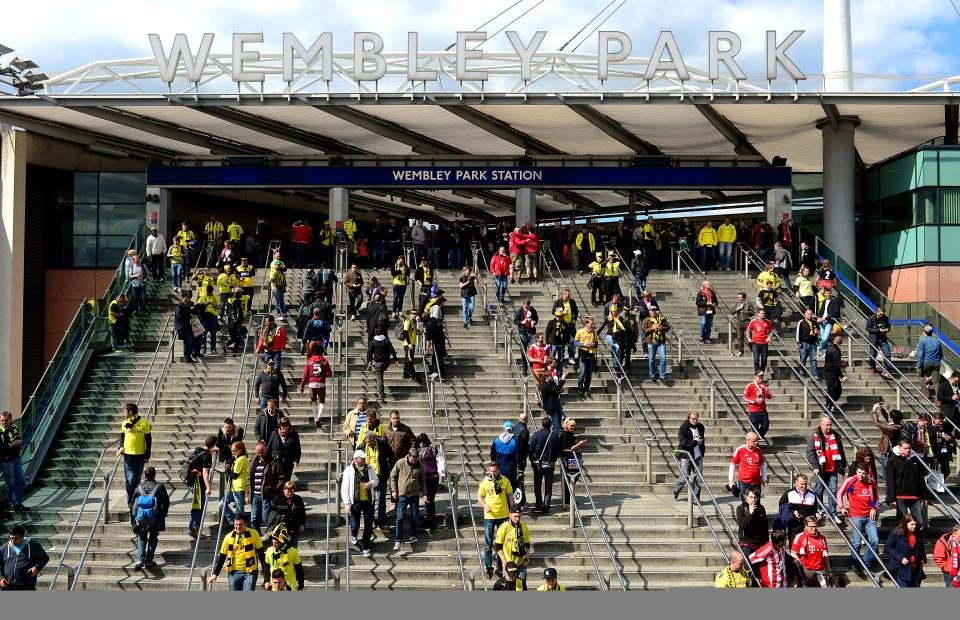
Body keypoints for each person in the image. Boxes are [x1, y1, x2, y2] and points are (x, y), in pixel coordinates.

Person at [837, 462, 881, 576]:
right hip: (856, 515)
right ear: (856, 471)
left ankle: (866, 563)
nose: (861, 475)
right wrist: (842, 507)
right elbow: (840, 493)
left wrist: (874, 508)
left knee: (874, 540)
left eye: (864, 473)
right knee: (857, 542)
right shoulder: (851, 480)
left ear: (868, 473)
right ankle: (853, 563)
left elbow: (877, 497)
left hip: (869, 515)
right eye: (859, 472)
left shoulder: (872, 482)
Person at [805, 416, 847, 524]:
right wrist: (815, 466)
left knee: (833, 491)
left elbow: (841, 451)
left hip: (833, 469)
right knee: (819, 490)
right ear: (821, 425)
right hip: (821, 469)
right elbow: (810, 453)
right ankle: (819, 509)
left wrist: (842, 465)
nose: (829, 427)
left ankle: (832, 512)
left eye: (830, 424)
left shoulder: (836, 436)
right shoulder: (814, 436)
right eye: (827, 425)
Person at [209, 513, 267, 591]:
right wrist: (215, 574)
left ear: (245, 524)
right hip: (233, 572)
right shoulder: (228, 537)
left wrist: (265, 570)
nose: (238, 527)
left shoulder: (254, 534)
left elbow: (261, 553)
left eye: (240, 524)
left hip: (249, 572)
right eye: (236, 524)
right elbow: (222, 556)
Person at [478, 461, 514, 579]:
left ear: (499, 470)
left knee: (501, 543)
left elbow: (510, 496)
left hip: (503, 516)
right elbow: (479, 497)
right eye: (491, 471)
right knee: (488, 544)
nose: (493, 473)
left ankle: (499, 564)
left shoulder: (505, 480)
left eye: (495, 471)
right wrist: (485, 506)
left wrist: (512, 512)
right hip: (489, 517)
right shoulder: (485, 482)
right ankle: (488, 568)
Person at [130, 466, 170, 570]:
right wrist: (162, 515)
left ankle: (140, 560)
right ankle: (149, 561)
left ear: (145, 475)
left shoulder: (138, 488)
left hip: (141, 518)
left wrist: (133, 520)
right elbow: (166, 502)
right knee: (153, 538)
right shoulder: (159, 486)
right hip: (154, 518)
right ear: (154, 475)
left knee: (142, 537)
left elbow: (132, 504)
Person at [886, 439, 931, 530]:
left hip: (915, 496)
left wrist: (925, 496)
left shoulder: (916, 459)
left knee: (919, 521)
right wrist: (892, 499)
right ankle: (902, 541)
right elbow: (890, 481)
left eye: (909, 448)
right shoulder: (892, 460)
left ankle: (914, 540)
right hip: (900, 496)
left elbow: (921, 479)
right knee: (902, 521)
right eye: (905, 448)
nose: (907, 450)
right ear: (900, 448)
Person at [342, 449, 379, 559]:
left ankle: (365, 545)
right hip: (356, 501)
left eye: (364, 458)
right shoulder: (349, 470)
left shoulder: (370, 468)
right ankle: (354, 534)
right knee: (355, 524)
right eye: (361, 458)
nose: (364, 459)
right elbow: (344, 488)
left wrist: (371, 483)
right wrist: (347, 503)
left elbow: (376, 481)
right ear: (356, 459)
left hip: (368, 501)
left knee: (369, 525)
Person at [389, 448, 426, 551]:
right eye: (413, 459)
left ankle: (413, 535)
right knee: (400, 517)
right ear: (409, 456)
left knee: (415, 516)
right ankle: (398, 539)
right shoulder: (400, 463)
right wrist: (394, 490)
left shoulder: (420, 465)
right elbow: (393, 476)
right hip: (402, 494)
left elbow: (422, 480)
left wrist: (424, 493)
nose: (414, 461)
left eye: (416, 459)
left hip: (414, 495)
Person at [117, 402, 151, 508]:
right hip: (128, 455)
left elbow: (148, 440)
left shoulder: (143, 423)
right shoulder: (124, 423)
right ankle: (131, 502)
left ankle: (135, 500)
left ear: (131, 412)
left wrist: (147, 455)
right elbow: (122, 436)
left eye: (125, 411)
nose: (123, 413)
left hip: (140, 455)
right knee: (130, 479)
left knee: (136, 480)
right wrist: (120, 447)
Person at [250, 440, 287, 534]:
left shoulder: (274, 461)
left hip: (267, 495)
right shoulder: (254, 461)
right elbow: (249, 478)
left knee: (265, 516)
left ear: (266, 450)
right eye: (258, 452)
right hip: (255, 494)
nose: (259, 453)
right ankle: (256, 536)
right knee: (254, 518)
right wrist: (247, 493)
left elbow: (282, 478)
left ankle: (270, 534)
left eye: (261, 451)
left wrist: (273, 489)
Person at [528, 417, 562, 515]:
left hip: (537, 465)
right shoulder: (555, 436)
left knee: (537, 486)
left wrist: (532, 460)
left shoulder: (536, 435)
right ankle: (546, 507)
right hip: (550, 465)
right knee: (548, 487)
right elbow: (560, 450)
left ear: (542, 424)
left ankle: (538, 506)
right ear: (550, 425)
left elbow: (530, 449)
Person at [0, 525, 49, 590]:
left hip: (27, 586)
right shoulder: (4, 548)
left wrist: (36, 568)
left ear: (23, 536)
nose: (12, 541)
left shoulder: (34, 546)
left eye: (16, 538)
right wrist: (1, 578)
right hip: (8, 586)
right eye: (11, 538)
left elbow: (44, 558)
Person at [186, 436, 216, 540]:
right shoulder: (207, 455)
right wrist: (208, 487)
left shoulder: (198, 450)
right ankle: (195, 529)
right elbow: (205, 472)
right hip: (198, 484)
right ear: (213, 445)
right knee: (199, 507)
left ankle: (192, 528)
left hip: (191, 482)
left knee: (196, 506)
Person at [885, 514, 927, 587]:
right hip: (902, 568)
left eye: (915, 524)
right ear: (905, 523)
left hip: (916, 568)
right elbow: (888, 547)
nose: (914, 526)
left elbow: (921, 547)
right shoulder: (896, 532)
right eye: (912, 524)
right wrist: (900, 558)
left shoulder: (918, 533)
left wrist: (923, 559)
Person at [790, 516, 832, 587]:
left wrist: (829, 570)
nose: (814, 528)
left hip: (820, 572)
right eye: (811, 526)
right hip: (806, 572)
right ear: (805, 526)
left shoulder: (822, 538)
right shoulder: (799, 537)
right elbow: (793, 553)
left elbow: (825, 556)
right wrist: (804, 569)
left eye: (815, 526)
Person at [416, 433, 446, 531]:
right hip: (423, 478)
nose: (421, 444)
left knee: (430, 499)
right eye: (420, 442)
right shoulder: (418, 451)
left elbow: (440, 460)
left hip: (433, 477)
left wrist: (442, 471)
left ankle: (432, 521)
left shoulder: (433, 449)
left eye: (423, 442)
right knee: (426, 500)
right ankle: (429, 519)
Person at [778, 474, 820, 543]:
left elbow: (814, 509)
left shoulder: (812, 495)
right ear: (796, 482)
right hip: (794, 526)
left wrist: (816, 513)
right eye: (802, 484)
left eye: (806, 484)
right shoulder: (789, 493)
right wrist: (793, 512)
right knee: (794, 548)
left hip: (807, 527)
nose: (804, 486)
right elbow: (782, 507)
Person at [673, 410, 705, 501]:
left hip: (697, 456)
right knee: (684, 477)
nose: (695, 421)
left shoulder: (701, 427)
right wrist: (695, 442)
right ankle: (676, 490)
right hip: (686, 456)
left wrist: (701, 450)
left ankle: (696, 498)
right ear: (689, 418)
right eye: (693, 419)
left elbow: (702, 440)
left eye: (696, 419)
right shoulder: (684, 427)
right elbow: (683, 442)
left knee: (698, 478)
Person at [299, 343, 332, 430]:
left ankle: (315, 418)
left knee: (313, 401)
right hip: (321, 383)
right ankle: (319, 417)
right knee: (321, 402)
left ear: (313, 352)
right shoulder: (325, 361)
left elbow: (305, 374)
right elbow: (329, 373)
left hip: (312, 384)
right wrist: (324, 373)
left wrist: (302, 386)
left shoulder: (309, 362)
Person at [728, 431, 768, 500]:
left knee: (756, 503)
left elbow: (763, 465)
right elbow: (732, 465)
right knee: (745, 503)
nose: (756, 442)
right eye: (754, 441)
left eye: (757, 440)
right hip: (744, 483)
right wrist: (730, 480)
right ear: (748, 441)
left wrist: (764, 479)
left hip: (756, 482)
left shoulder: (758, 450)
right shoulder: (740, 450)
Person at [263, 523, 303, 590]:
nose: (274, 544)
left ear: (283, 541)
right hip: (275, 585)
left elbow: (299, 569)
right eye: (273, 541)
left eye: (277, 542)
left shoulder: (293, 551)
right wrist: (266, 581)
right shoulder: (269, 551)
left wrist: (301, 584)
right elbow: (266, 567)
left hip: (290, 587)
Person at [267, 481, 306, 548]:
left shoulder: (298, 500)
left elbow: (302, 513)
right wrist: (278, 517)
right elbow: (270, 514)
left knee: (293, 550)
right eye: (288, 491)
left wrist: (302, 524)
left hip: (294, 529)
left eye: (292, 491)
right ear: (284, 490)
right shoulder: (276, 500)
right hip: (281, 531)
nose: (290, 493)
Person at [736, 487, 769, 565]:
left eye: (755, 497)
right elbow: (742, 526)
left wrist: (766, 543)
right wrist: (750, 513)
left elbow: (765, 527)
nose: (753, 499)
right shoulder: (741, 508)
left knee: (758, 569)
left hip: (759, 543)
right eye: (751, 497)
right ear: (746, 497)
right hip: (746, 542)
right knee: (748, 567)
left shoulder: (761, 508)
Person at [0, 411, 25, 512]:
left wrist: (13, 443)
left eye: (6, 420)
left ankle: (18, 503)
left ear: (10, 420)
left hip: (16, 458)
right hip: (6, 461)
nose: (3, 422)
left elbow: (19, 440)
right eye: (1, 420)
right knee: (10, 483)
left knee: (21, 480)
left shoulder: (14, 427)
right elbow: (2, 448)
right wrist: (13, 444)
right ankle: (12, 504)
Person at [559, 418, 587, 506]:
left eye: (574, 426)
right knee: (570, 477)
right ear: (566, 425)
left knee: (573, 477)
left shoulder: (570, 433)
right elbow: (568, 449)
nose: (573, 428)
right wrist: (580, 444)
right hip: (567, 458)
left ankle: (569, 498)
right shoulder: (564, 434)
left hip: (571, 458)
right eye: (571, 426)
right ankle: (567, 499)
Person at [367, 331, 400, 403]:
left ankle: (381, 395)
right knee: (381, 369)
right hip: (386, 362)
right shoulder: (386, 341)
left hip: (378, 362)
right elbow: (392, 350)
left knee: (379, 379)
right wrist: (395, 360)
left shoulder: (373, 342)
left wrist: (369, 361)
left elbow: (369, 352)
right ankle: (382, 368)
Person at [267, 417, 302, 481]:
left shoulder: (294, 434)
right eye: (282, 425)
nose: (284, 427)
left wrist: (296, 460)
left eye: (286, 425)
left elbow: (298, 449)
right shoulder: (274, 433)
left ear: (289, 425)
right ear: (280, 425)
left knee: (286, 480)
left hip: (288, 462)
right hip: (276, 462)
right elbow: (269, 447)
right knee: (277, 481)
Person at [491, 421, 522, 490]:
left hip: (499, 467)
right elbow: (518, 457)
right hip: (511, 468)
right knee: (510, 488)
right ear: (512, 429)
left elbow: (492, 454)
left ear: (504, 428)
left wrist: (494, 463)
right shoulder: (515, 441)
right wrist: (520, 468)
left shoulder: (497, 440)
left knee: (499, 487)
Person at [642, 306, 670, 382]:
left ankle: (662, 375)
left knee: (663, 358)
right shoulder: (646, 320)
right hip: (652, 341)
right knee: (651, 359)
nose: (654, 311)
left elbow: (668, 327)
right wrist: (652, 328)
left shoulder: (662, 318)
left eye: (655, 310)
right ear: (649, 312)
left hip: (661, 341)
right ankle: (652, 374)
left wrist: (662, 328)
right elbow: (644, 331)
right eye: (652, 310)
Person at [917, 323, 944, 398]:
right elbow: (941, 355)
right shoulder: (937, 341)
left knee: (920, 376)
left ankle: (925, 391)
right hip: (936, 363)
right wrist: (937, 361)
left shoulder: (923, 340)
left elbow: (921, 354)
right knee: (936, 382)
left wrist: (919, 365)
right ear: (932, 332)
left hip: (926, 362)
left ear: (925, 332)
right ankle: (939, 398)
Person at [823, 335, 848, 414]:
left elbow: (833, 361)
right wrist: (842, 376)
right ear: (840, 342)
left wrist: (841, 364)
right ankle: (828, 409)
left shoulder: (829, 348)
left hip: (828, 371)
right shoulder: (836, 351)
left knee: (834, 389)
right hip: (832, 372)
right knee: (834, 390)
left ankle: (831, 406)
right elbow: (836, 365)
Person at [743, 372, 772, 439]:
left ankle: (758, 437)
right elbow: (744, 397)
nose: (761, 379)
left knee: (765, 426)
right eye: (759, 377)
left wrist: (765, 388)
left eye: (762, 377)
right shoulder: (750, 385)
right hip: (754, 411)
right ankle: (755, 439)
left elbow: (770, 396)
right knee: (755, 428)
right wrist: (754, 400)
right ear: (755, 376)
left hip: (763, 410)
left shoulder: (763, 386)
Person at [514, 299, 539, 375]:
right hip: (523, 333)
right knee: (523, 351)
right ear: (523, 305)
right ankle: (524, 367)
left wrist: (534, 322)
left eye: (528, 307)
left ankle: (532, 366)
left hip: (531, 333)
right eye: (525, 307)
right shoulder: (519, 311)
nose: (526, 308)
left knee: (533, 350)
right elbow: (515, 321)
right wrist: (522, 322)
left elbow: (536, 319)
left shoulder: (532, 310)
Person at [574, 318, 598, 396]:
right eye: (591, 324)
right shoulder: (580, 331)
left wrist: (592, 344)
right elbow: (575, 342)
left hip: (591, 354)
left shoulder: (594, 332)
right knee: (582, 372)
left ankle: (587, 388)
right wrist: (583, 344)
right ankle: (580, 388)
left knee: (589, 374)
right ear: (586, 324)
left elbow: (596, 344)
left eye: (593, 324)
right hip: (583, 353)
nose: (592, 326)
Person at [746, 307, 773, 375]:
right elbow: (748, 330)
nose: (763, 315)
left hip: (764, 343)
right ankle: (758, 372)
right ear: (758, 314)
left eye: (764, 313)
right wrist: (749, 338)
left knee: (764, 361)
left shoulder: (768, 322)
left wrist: (769, 337)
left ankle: (761, 373)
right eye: (761, 313)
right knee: (756, 359)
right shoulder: (753, 321)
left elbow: (771, 331)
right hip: (755, 343)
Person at [795, 307, 820, 378]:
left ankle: (814, 374)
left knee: (814, 359)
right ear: (805, 314)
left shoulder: (814, 322)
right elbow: (797, 332)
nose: (810, 316)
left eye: (811, 314)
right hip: (804, 343)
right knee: (803, 358)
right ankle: (801, 369)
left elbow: (818, 330)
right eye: (809, 314)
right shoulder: (801, 322)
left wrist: (817, 332)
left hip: (813, 343)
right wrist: (798, 342)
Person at [933, 523, 960, 588]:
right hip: (950, 573)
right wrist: (948, 568)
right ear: (954, 533)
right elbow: (938, 558)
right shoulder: (943, 541)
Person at [816, 288, 841, 353]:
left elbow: (835, 312)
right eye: (826, 293)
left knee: (825, 338)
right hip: (822, 321)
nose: (828, 294)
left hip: (829, 321)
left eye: (829, 293)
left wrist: (825, 318)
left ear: (831, 293)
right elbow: (821, 311)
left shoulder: (835, 301)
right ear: (824, 294)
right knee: (824, 339)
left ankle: (819, 348)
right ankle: (826, 352)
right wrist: (819, 317)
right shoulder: (824, 301)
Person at [731, 293, 754, 358]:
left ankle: (752, 351)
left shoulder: (749, 304)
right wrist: (737, 309)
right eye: (738, 297)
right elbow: (731, 312)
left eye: (740, 297)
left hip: (747, 322)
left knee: (748, 337)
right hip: (739, 323)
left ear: (744, 298)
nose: (739, 298)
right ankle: (741, 351)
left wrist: (745, 312)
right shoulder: (737, 304)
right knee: (739, 338)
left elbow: (752, 313)